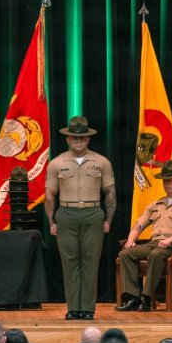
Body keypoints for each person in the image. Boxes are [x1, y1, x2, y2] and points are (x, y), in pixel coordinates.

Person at [45, 116, 116, 320]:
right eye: (74, 137)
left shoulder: (101, 162)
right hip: (66, 213)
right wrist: (52, 221)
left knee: (90, 262)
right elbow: (49, 194)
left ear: (88, 139)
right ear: (67, 139)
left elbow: (110, 192)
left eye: (82, 137)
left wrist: (108, 220)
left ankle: (87, 309)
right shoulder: (56, 163)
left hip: (93, 213)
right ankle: (73, 308)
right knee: (69, 262)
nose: (78, 140)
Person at [116, 160, 172, 312]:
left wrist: (170, 240)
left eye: (171, 180)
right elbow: (138, 225)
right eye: (165, 181)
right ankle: (133, 298)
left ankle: (146, 299)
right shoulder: (155, 204)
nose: (167, 184)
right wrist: (130, 240)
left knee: (156, 254)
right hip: (155, 243)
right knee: (125, 254)